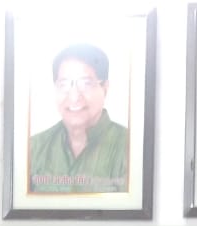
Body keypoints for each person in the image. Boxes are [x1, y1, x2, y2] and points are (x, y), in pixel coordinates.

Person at [28, 43, 129, 194]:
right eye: (64, 84)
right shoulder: (34, 148)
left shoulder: (130, 148)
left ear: (105, 89)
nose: (74, 97)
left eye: (86, 84)